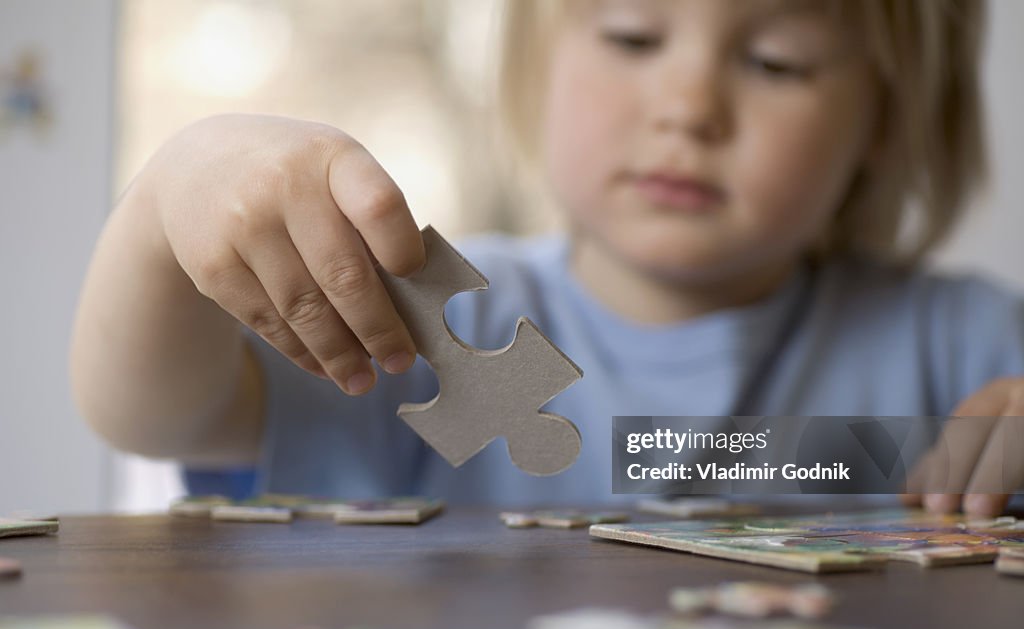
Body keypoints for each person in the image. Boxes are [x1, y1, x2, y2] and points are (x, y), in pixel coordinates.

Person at [71, 0, 1022, 513]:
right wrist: (166, 206)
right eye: (633, 36)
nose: (688, 106)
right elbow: (158, 415)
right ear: (538, 62)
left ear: (887, 122)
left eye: (775, 61)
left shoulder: (965, 340)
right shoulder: (435, 328)